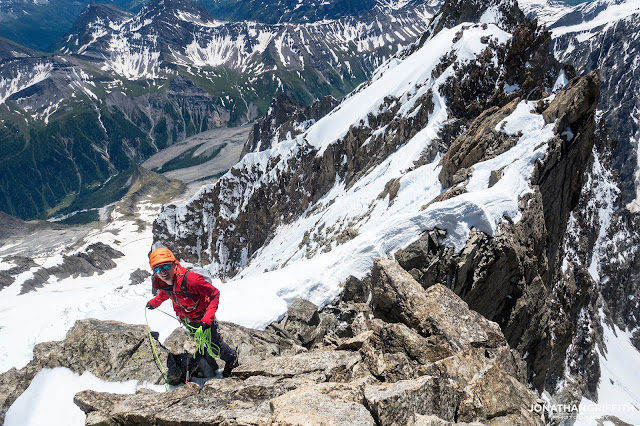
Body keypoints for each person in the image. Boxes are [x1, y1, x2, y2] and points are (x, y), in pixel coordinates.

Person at [145, 247, 238, 379]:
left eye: (166, 266)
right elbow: (166, 293)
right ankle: (208, 360)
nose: (163, 272)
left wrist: (208, 319)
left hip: (203, 317)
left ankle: (231, 358)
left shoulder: (191, 280)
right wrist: (155, 302)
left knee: (214, 345)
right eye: (158, 269)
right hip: (188, 319)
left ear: (174, 264)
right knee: (199, 339)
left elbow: (214, 294)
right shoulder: (165, 282)